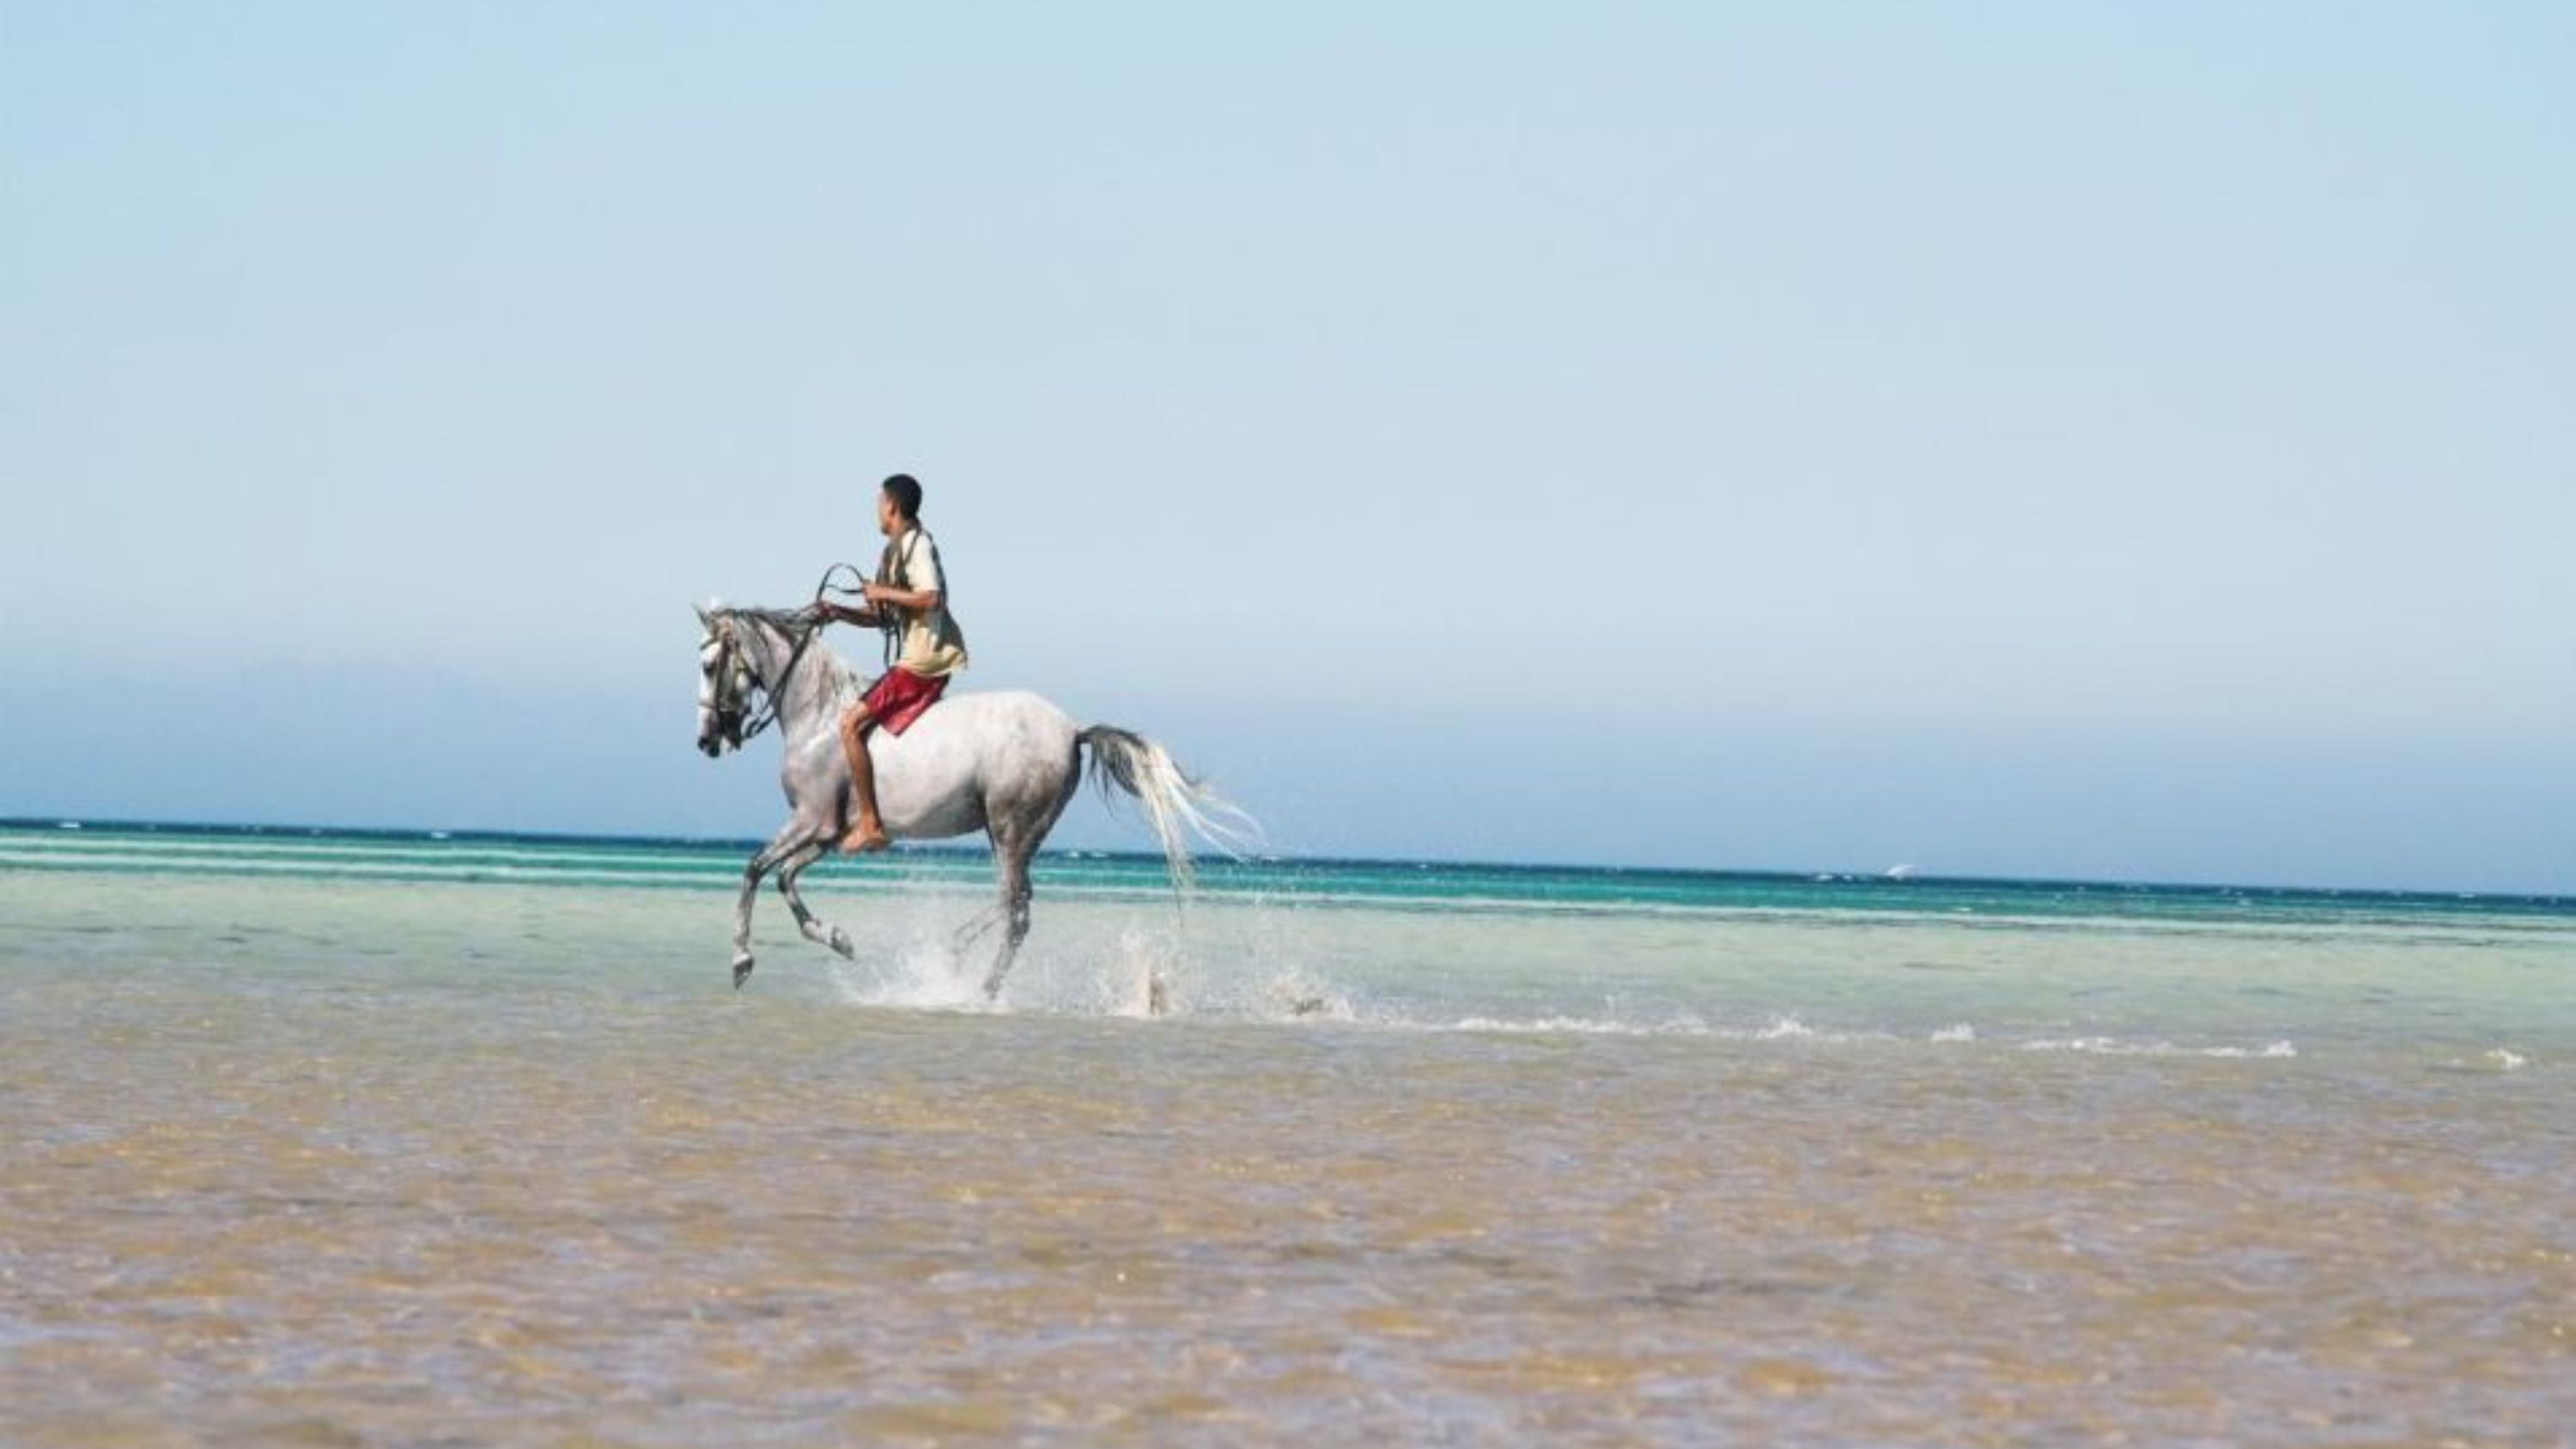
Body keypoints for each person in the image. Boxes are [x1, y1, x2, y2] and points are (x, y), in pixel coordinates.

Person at [815, 472, 969, 853]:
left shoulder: (917, 545)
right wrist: (839, 612)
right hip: (915, 658)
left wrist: (882, 590)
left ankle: (870, 823)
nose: (876, 512)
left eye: (878, 504)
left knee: (850, 724)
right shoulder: (894, 551)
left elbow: (931, 598)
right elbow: (883, 619)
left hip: (925, 661)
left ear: (891, 507)